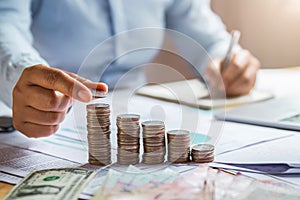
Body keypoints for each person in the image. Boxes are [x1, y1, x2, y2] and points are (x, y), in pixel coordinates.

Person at [0, 0, 260, 138]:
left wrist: (230, 58)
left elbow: (206, 34)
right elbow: (5, 22)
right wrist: (22, 73)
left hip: (139, 105)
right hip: (50, 109)